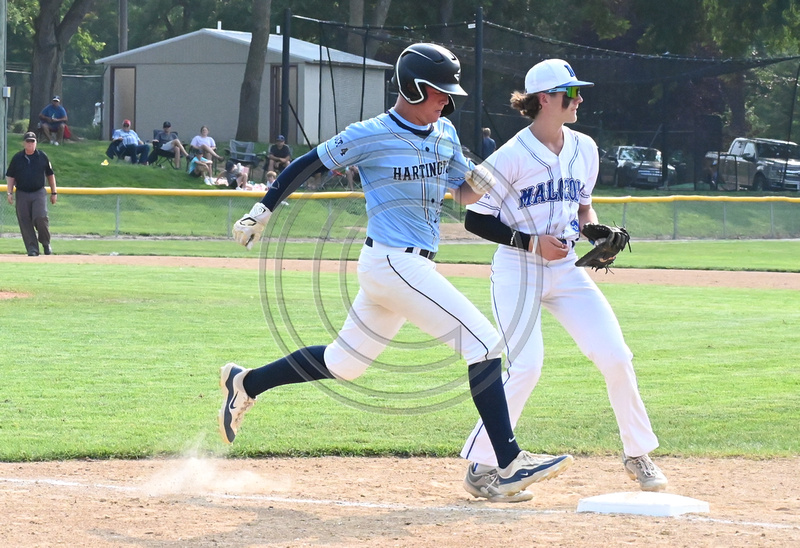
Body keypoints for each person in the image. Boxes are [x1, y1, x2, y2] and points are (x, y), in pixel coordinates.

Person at [218, 43, 574, 502]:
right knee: (484, 342)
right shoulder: (370, 133)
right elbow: (310, 164)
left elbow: (465, 194)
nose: (447, 99)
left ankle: (246, 382)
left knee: (343, 364)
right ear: (411, 86)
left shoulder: (444, 132)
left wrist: (508, 158)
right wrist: (262, 210)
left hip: (405, 267)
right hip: (391, 260)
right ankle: (505, 463)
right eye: (438, 92)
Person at [459, 58, 668, 498]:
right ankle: (482, 466)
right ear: (546, 99)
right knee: (527, 366)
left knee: (616, 355)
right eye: (571, 92)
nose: (580, 98)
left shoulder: (584, 148)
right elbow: (475, 218)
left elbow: (583, 206)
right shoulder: (511, 155)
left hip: (567, 271)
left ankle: (636, 453)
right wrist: (531, 243)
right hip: (519, 270)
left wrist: (597, 231)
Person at [5, 132, 57, 256]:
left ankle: (45, 243)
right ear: (24, 143)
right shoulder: (17, 158)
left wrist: (54, 192)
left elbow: (50, 174)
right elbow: (11, 176)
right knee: (25, 221)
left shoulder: (42, 156)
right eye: (28, 141)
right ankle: (32, 248)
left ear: (36, 143)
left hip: (38, 192)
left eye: (32, 141)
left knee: (40, 217)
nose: (30, 144)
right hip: (22, 192)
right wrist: (9, 192)